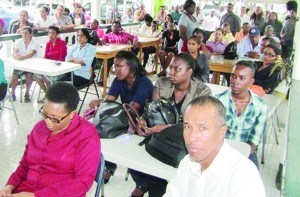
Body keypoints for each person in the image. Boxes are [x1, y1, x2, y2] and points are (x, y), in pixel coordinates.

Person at [0, 82, 100, 197]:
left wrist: (36, 196)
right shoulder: (39, 129)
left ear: (72, 114)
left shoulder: (86, 135)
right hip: (28, 189)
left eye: (55, 119)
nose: (47, 122)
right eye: (45, 114)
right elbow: (25, 165)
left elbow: (82, 183)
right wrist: (9, 187)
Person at [136, 53, 211, 197]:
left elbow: (196, 125)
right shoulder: (162, 84)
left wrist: (164, 128)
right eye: (171, 68)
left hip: (185, 147)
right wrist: (143, 120)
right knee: (154, 178)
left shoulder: (202, 91)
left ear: (189, 72)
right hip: (160, 143)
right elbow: (153, 109)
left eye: (177, 69)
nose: (171, 72)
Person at [164, 96, 266, 196]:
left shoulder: (243, 175)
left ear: (221, 132)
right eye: (187, 127)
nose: (191, 137)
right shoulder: (187, 162)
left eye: (202, 128)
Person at [88, 50, 153, 197]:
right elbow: (110, 98)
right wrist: (99, 103)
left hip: (142, 123)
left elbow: (133, 107)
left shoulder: (145, 83)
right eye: (115, 66)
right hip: (125, 118)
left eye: (119, 66)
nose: (115, 69)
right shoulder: (119, 80)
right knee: (104, 134)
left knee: (130, 149)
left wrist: (105, 108)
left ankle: (142, 184)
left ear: (131, 66)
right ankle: (109, 167)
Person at [215, 60, 268, 169]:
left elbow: (254, 139)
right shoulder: (217, 100)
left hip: (246, 151)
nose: (235, 81)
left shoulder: (261, 106)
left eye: (242, 78)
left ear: (251, 81)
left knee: (252, 181)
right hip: (219, 150)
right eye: (233, 76)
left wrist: (240, 156)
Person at [97, 21, 139, 86]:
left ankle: (130, 78)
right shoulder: (108, 35)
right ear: (111, 27)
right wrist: (101, 41)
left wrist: (135, 41)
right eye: (114, 26)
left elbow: (134, 36)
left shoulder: (124, 34)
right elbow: (102, 40)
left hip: (123, 54)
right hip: (113, 54)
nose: (115, 28)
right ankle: (102, 79)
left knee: (128, 62)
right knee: (107, 61)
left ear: (119, 28)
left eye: (117, 27)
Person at [35, 26, 67, 100]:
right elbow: (45, 56)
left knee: (47, 76)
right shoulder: (48, 43)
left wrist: (53, 66)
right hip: (48, 66)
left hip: (59, 67)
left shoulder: (61, 43)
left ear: (57, 34)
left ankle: (50, 95)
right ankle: (48, 93)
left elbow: (62, 58)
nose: (50, 35)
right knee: (36, 75)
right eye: (49, 33)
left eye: (53, 33)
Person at [11, 26, 39, 102]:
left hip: (30, 65)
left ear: (30, 34)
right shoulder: (18, 41)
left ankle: (27, 93)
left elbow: (32, 53)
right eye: (23, 33)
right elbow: (14, 52)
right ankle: (13, 93)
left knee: (29, 74)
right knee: (14, 75)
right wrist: (16, 56)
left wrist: (22, 57)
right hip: (20, 64)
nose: (24, 34)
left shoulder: (35, 42)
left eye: (26, 33)